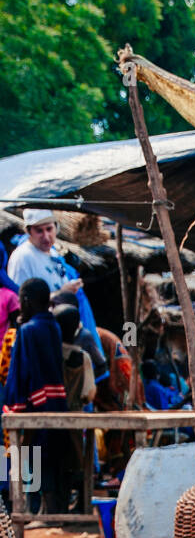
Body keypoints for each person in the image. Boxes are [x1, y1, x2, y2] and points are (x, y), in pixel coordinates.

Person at [4, 279, 70, 512]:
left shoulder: (28, 331)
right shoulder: (54, 327)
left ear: (26, 301)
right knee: (50, 456)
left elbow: (20, 372)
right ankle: (51, 508)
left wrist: (13, 403)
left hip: (34, 403)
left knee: (30, 456)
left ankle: (28, 508)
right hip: (56, 401)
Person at [7, 210, 83, 301]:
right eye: (39, 231)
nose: (46, 236)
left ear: (56, 228)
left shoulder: (53, 252)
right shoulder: (22, 257)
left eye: (49, 229)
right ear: (29, 232)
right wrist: (61, 294)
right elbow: (22, 301)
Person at [54, 304, 96, 413]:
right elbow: (89, 394)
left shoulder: (49, 355)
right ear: (78, 327)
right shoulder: (83, 357)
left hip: (50, 416)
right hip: (75, 419)